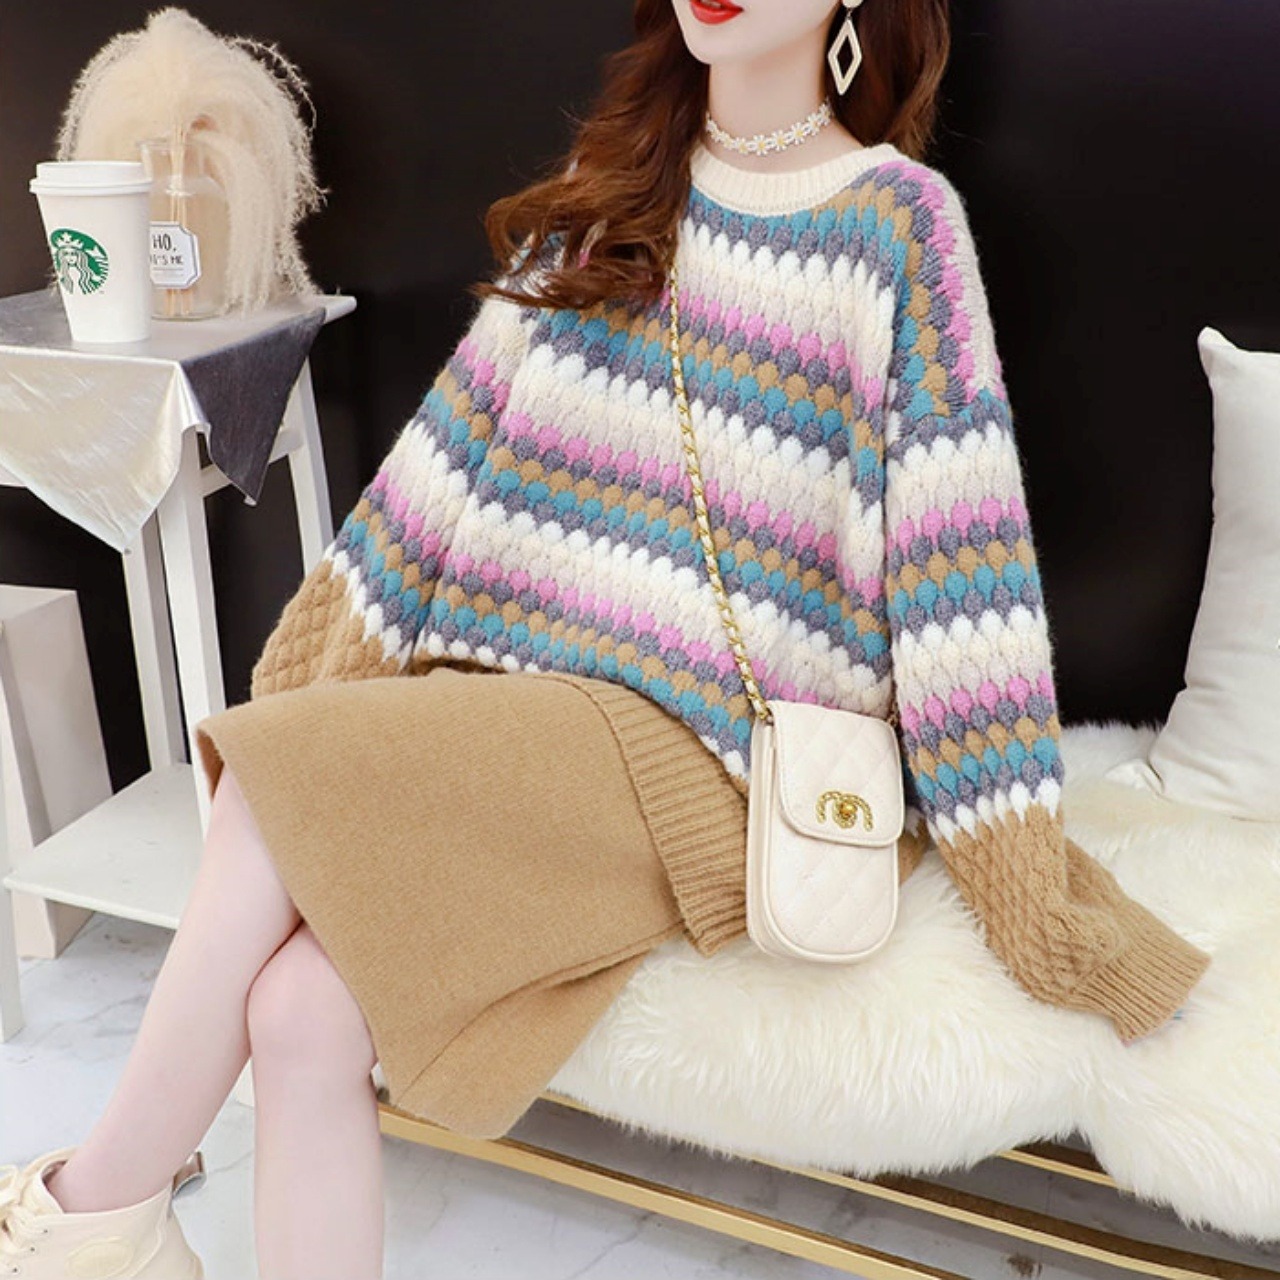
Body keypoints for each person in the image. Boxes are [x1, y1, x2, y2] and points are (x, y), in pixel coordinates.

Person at [0, 1, 1212, 1276]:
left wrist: (1035, 898)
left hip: (708, 762)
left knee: (271, 788)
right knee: (301, 1007)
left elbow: (960, 576)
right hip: (521, 724)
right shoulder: (614, 190)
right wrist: (311, 687)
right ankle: (108, 1218)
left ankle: (90, 1210)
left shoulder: (897, 226)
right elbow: (440, 465)